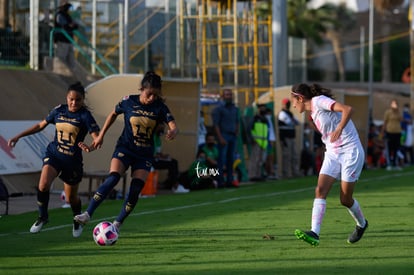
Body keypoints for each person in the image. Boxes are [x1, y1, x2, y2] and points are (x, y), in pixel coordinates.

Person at [74, 71, 178, 233]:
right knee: (113, 178)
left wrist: (173, 131)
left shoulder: (160, 107)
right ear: (142, 89)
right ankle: (87, 214)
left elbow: (173, 124)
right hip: (125, 148)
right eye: (150, 94)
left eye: (155, 95)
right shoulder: (128, 101)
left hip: (144, 154)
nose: (152, 98)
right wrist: (100, 136)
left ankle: (118, 223)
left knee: (135, 189)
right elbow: (113, 114)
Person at [7, 82, 100, 237]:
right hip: (55, 154)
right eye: (71, 99)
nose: (74, 103)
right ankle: (43, 217)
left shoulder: (85, 116)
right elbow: (40, 125)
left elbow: (97, 138)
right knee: (43, 185)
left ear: (83, 100)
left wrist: (90, 147)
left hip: (72, 161)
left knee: (71, 198)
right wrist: (18, 136)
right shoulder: (59, 110)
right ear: (67, 97)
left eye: (78, 100)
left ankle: (77, 220)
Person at [291, 83, 368, 246]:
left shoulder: (319, 101)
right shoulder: (312, 113)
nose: (293, 104)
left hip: (350, 150)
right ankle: (314, 233)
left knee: (345, 199)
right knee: (320, 190)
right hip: (333, 153)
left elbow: (348, 109)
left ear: (300, 98)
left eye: (294, 100)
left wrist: (340, 128)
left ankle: (362, 224)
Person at [211, 89, 240, 188]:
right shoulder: (218, 109)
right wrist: (220, 138)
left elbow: (237, 121)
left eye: (230, 95)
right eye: (227, 95)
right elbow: (216, 125)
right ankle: (220, 181)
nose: (229, 96)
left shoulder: (235, 108)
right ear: (223, 96)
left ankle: (230, 180)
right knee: (221, 160)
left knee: (231, 160)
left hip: (232, 136)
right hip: (223, 135)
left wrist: (236, 131)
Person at [152, 123, 189, 193]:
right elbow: (151, 153)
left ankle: (171, 184)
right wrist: (159, 156)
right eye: (160, 128)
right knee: (172, 164)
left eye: (163, 128)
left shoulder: (158, 138)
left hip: (156, 159)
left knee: (173, 161)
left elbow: (158, 153)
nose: (162, 130)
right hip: (150, 160)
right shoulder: (151, 137)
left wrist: (164, 156)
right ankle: (175, 185)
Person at [278, 98, 301, 178]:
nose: (288, 105)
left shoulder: (290, 113)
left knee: (294, 155)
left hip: (292, 137)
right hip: (286, 138)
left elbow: (297, 122)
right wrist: (292, 121)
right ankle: (286, 173)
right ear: (283, 104)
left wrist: (293, 121)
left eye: (288, 103)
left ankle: (295, 172)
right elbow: (289, 122)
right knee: (286, 156)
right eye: (286, 104)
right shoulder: (282, 114)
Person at [54, 1, 78, 69]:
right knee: (61, 58)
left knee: (71, 60)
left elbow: (74, 25)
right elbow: (65, 26)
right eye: (66, 7)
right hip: (62, 40)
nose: (68, 9)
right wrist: (71, 26)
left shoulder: (67, 16)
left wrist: (71, 26)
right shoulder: (59, 15)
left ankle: (72, 75)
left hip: (69, 40)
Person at [248, 104, 268, 181]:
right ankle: (252, 175)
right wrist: (252, 139)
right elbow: (249, 129)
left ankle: (258, 175)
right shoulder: (255, 119)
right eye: (261, 108)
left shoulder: (264, 119)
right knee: (255, 159)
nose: (263, 110)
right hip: (257, 142)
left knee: (260, 160)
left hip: (263, 142)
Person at [382, 99, 403, 171]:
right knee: (389, 148)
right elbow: (385, 122)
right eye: (394, 104)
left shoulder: (399, 112)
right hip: (389, 132)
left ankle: (395, 163)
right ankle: (389, 164)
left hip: (397, 132)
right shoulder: (388, 112)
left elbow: (401, 119)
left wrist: (397, 111)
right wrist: (382, 132)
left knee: (396, 148)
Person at [264, 107, 277, 179]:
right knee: (268, 157)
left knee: (271, 157)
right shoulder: (266, 119)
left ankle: (271, 172)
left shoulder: (269, 120)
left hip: (271, 140)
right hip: (268, 140)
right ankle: (269, 172)